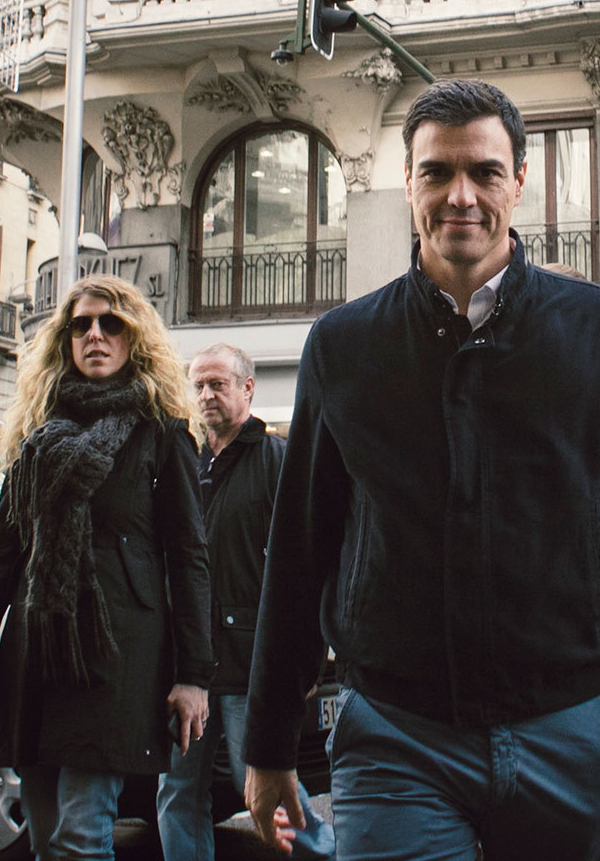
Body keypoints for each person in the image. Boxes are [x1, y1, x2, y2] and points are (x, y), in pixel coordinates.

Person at [240, 79, 600, 860]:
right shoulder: (344, 346)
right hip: (396, 736)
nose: (462, 196)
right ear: (409, 182)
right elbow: (300, 551)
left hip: (573, 729)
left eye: (484, 172)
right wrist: (269, 742)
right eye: (438, 172)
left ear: (519, 181)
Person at [0, 274, 213, 860]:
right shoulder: (39, 436)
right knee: (44, 839)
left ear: (134, 339)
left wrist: (194, 674)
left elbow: (189, 555)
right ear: (64, 338)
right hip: (38, 645)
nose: (95, 335)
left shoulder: (162, 434)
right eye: (81, 325)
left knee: (80, 835)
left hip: (117, 654)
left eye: (111, 324)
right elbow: (3, 549)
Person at [157, 344, 335, 861]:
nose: (207, 395)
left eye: (219, 384)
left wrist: (304, 662)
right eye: (200, 386)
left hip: (250, 664)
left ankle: (324, 853)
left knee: (259, 781)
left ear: (248, 389)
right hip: (188, 665)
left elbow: (310, 562)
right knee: (177, 791)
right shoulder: (185, 461)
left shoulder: (278, 459)